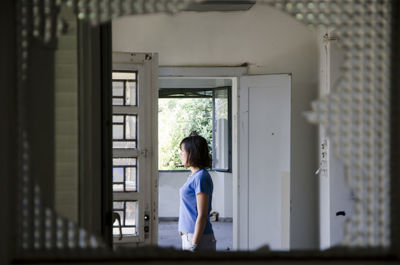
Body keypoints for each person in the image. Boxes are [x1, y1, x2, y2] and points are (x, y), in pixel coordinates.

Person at [178, 133, 216, 252]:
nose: (180, 154)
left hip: (198, 239)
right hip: (189, 236)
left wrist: (194, 244)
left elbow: (203, 215)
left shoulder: (201, 177)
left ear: (192, 153)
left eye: (182, 151)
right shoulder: (194, 176)